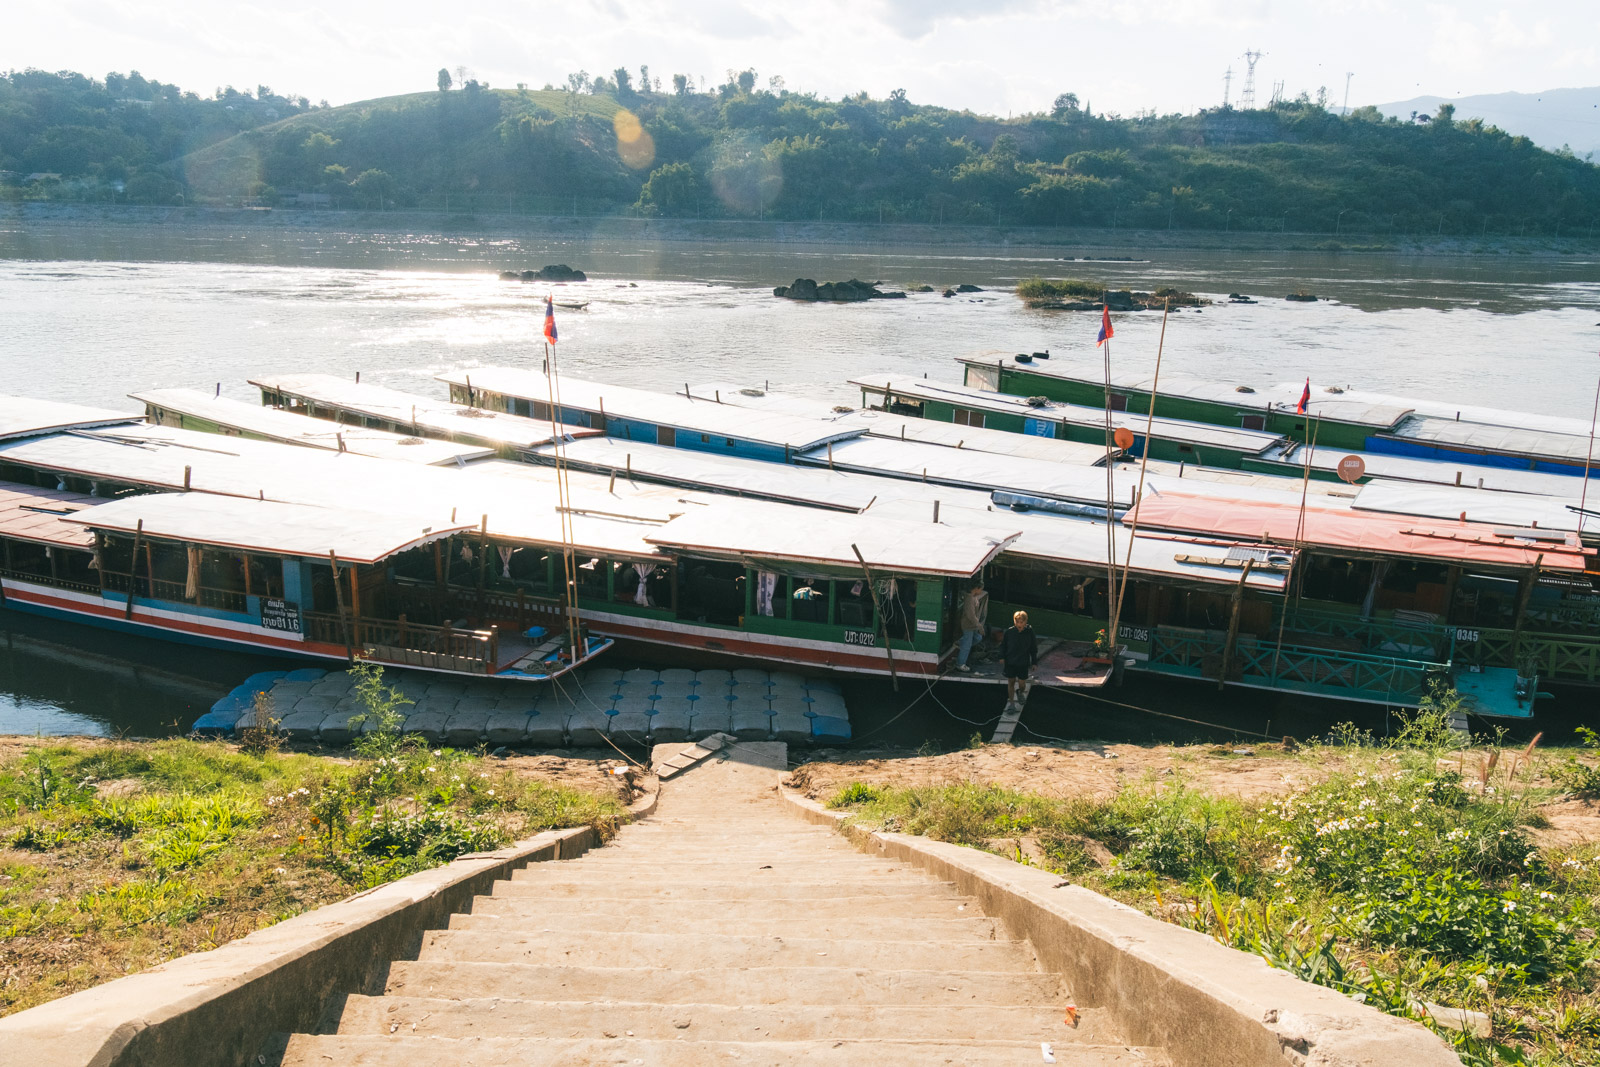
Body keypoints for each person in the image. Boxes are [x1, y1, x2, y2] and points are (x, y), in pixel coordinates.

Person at [1000, 609, 1038, 710]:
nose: (1019, 624)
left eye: (1021, 622)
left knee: (1022, 683)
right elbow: (1003, 646)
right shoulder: (1009, 632)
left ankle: (1020, 692)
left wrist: (1034, 662)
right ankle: (1011, 703)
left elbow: (1033, 648)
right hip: (1010, 662)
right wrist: (1001, 657)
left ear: (1025, 622)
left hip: (1023, 662)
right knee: (1011, 682)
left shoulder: (1029, 632)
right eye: (1017, 622)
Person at [955, 579, 988, 673]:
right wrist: (980, 626)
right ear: (976, 589)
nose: (981, 591)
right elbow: (971, 616)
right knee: (967, 646)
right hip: (968, 626)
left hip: (973, 626)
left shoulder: (973, 597)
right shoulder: (969, 599)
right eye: (981, 589)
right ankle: (960, 664)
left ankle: (960, 643)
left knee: (978, 638)